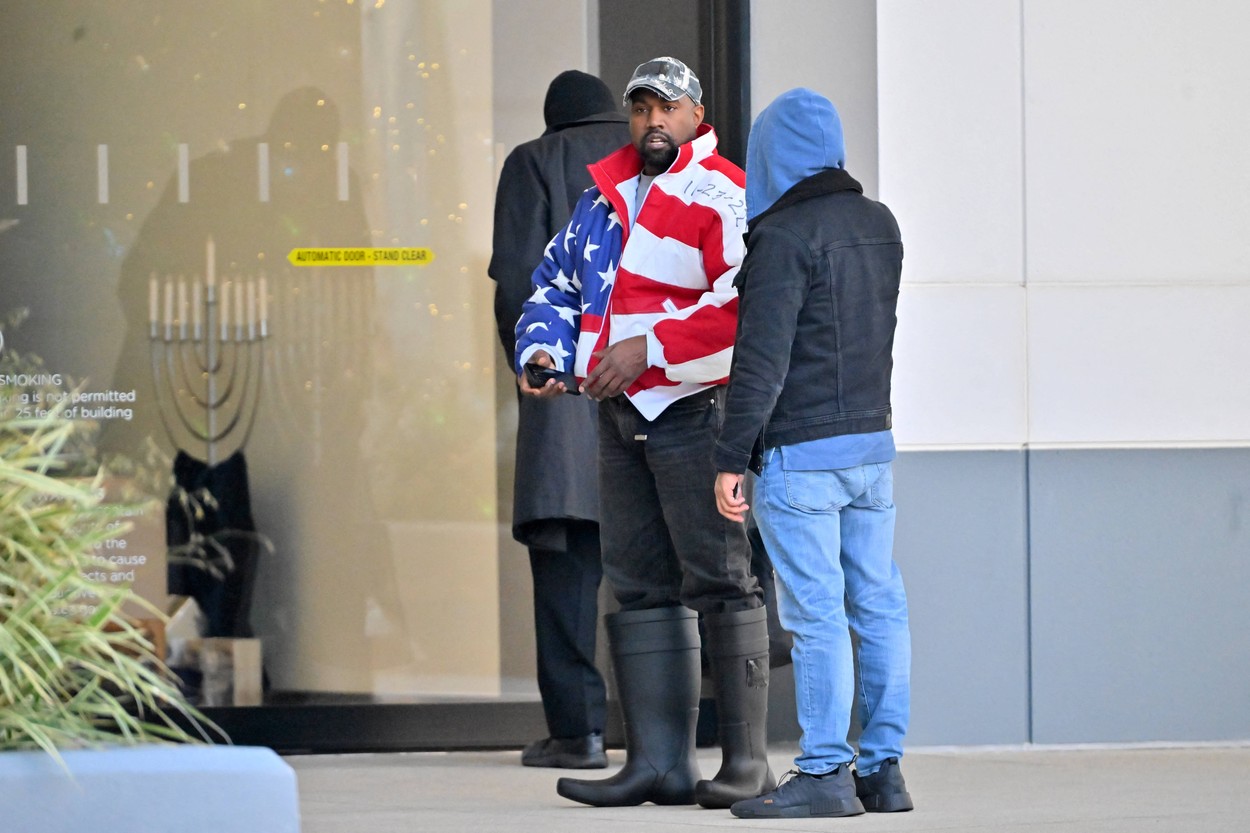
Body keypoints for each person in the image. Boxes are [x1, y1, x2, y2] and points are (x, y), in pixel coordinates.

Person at [514, 56, 773, 809]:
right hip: (617, 415)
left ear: (696, 115)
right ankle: (659, 763)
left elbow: (743, 304)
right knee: (636, 585)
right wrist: (543, 350)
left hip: (694, 412)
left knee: (722, 578)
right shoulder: (602, 197)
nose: (654, 120)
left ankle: (747, 762)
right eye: (641, 107)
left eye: (668, 106)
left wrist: (648, 347)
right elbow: (552, 282)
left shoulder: (722, 191)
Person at [713, 88, 913, 819]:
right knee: (879, 604)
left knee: (818, 616)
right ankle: (884, 769)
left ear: (771, 156)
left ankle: (826, 769)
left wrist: (732, 455)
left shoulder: (783, 237)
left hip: (802, 454)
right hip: (872, 448)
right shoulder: (879, 224)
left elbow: (760, 360)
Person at [488, 70, 630, 770]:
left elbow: (518, 285)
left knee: (569, 575)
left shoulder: (533, 163)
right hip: (660, 403)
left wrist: (533, 370)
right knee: (655, 580)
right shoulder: (657, 156)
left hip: (567, 409)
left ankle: (580, 733)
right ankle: (670, 731)